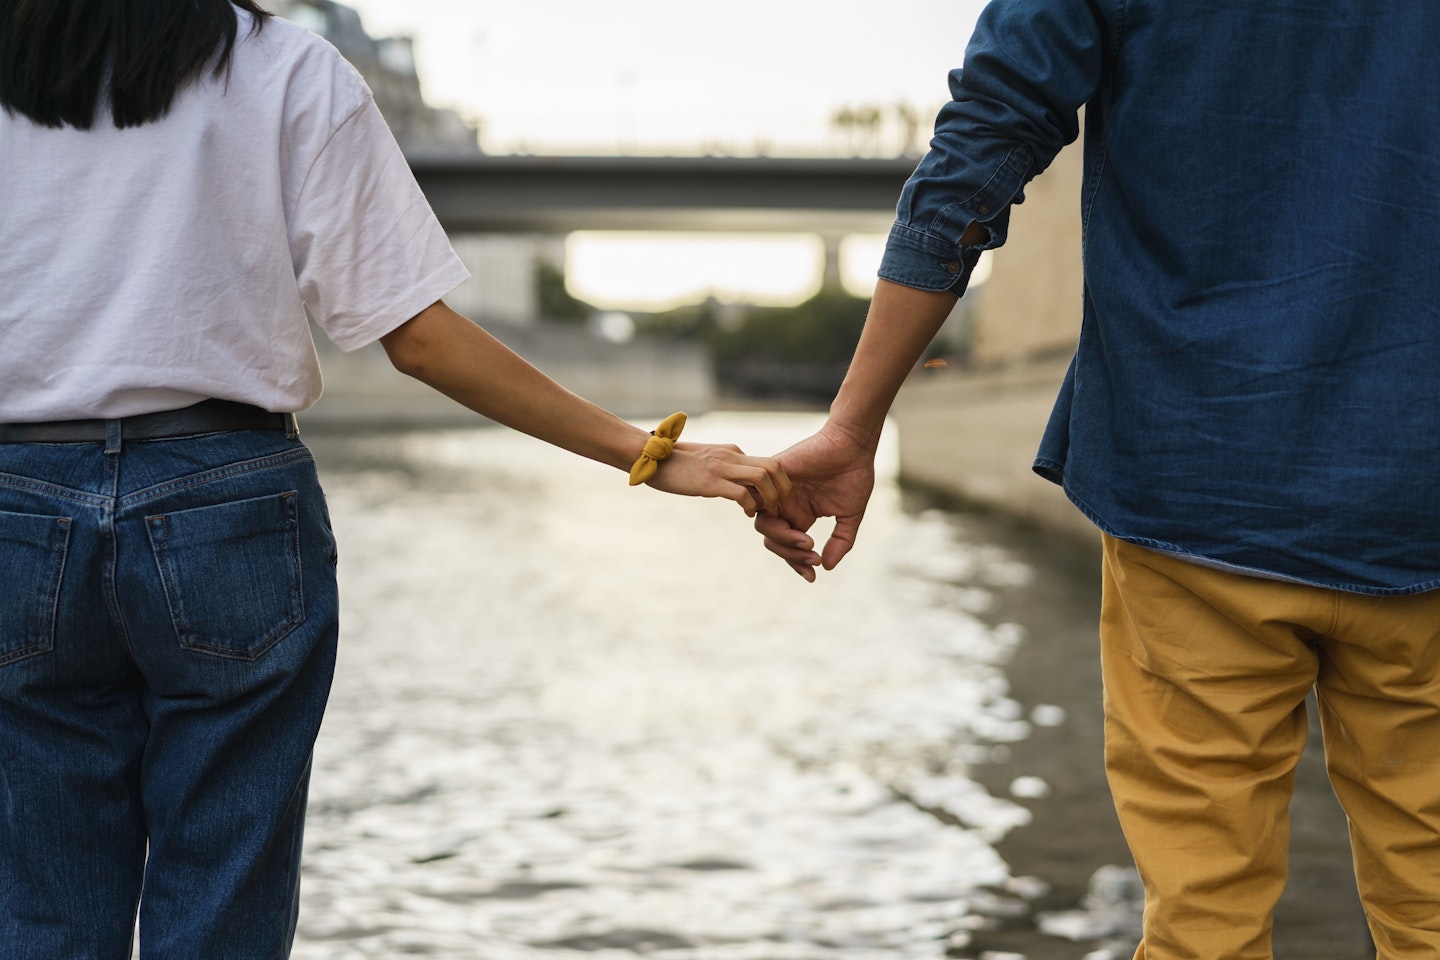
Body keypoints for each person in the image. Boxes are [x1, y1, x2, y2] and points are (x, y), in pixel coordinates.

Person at [0, 3, 787, 958]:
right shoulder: (286, 69)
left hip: (17, 503)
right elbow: (416, 337)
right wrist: (642, 452)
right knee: (222, 899)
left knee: (41, 904)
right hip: (226, 499)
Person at [756, 1, 1440, 956]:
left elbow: (984, 145)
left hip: (1194, 475)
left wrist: (855, 421)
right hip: (1417, 478)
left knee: (1204, 920)